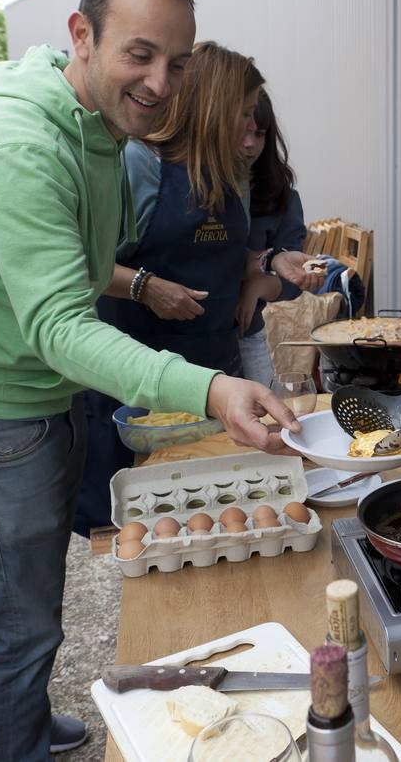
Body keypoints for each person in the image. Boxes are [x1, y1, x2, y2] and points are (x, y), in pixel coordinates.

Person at [0, 0, 300, 760]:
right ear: (82, 35)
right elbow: (57, 323)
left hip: (34, 393)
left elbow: (73, 275)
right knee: (22, 617)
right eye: (139, 54)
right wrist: (211, 389)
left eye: (178, 63)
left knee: (21, 594)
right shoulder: (23, 145)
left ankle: (12, 718)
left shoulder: (105, 130)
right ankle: (6, 729)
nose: (161, 83)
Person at [74, 45, 318, 535]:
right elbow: (84, 266)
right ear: (213, 108)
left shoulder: (234, 180)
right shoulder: (138, 166)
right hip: (140, 390)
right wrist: (143, 286)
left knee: (221, 509)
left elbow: (227, 257)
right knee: (142, 520)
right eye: (244, 114)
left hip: (217, 377)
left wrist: (269, 262)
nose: (252, 132)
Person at [237, 88, 319, 388]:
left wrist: (258, 285)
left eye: (259, 134)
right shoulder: (192, 184)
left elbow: (291, 283)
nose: (249, 144)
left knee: (265, 423)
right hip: (187, 340)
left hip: (248, 333)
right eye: (241, 132)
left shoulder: (280, 195)